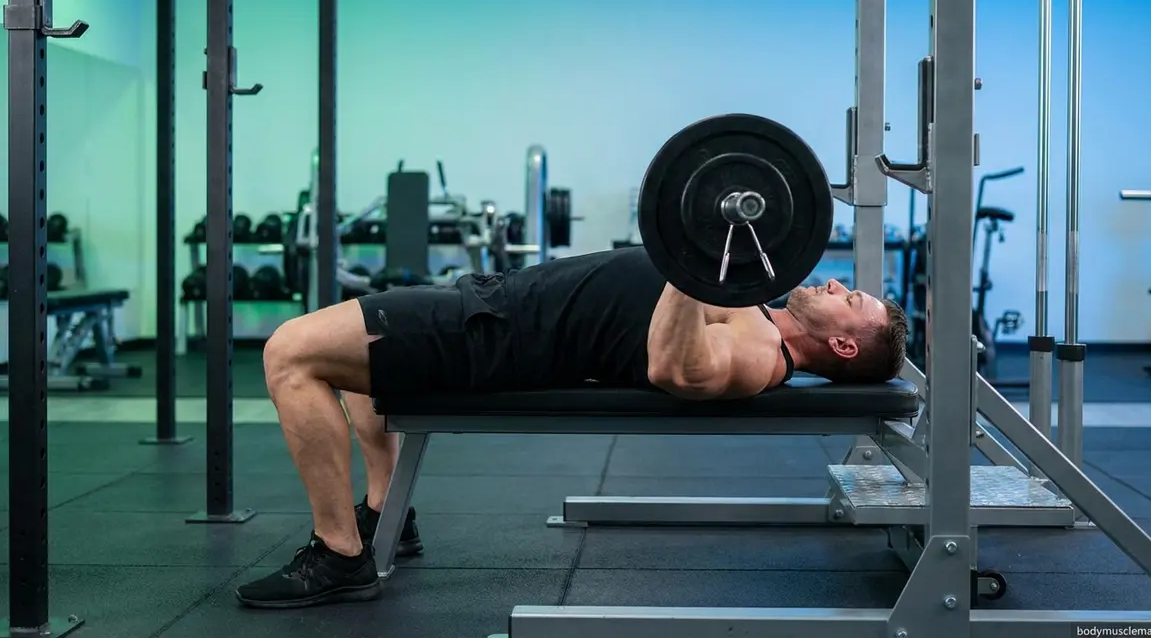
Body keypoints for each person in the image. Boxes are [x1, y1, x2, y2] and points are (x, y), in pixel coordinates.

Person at [235, 246, 908, 609]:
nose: (832, 286)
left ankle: (340, 554)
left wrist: (687, 260)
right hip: (499, 304)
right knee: (349, 356)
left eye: (850, 301)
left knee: (290, 352)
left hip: (496, 336)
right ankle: (386, 510)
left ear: (845, 347)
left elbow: (681, 371)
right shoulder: (754, 309)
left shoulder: (764, 356)